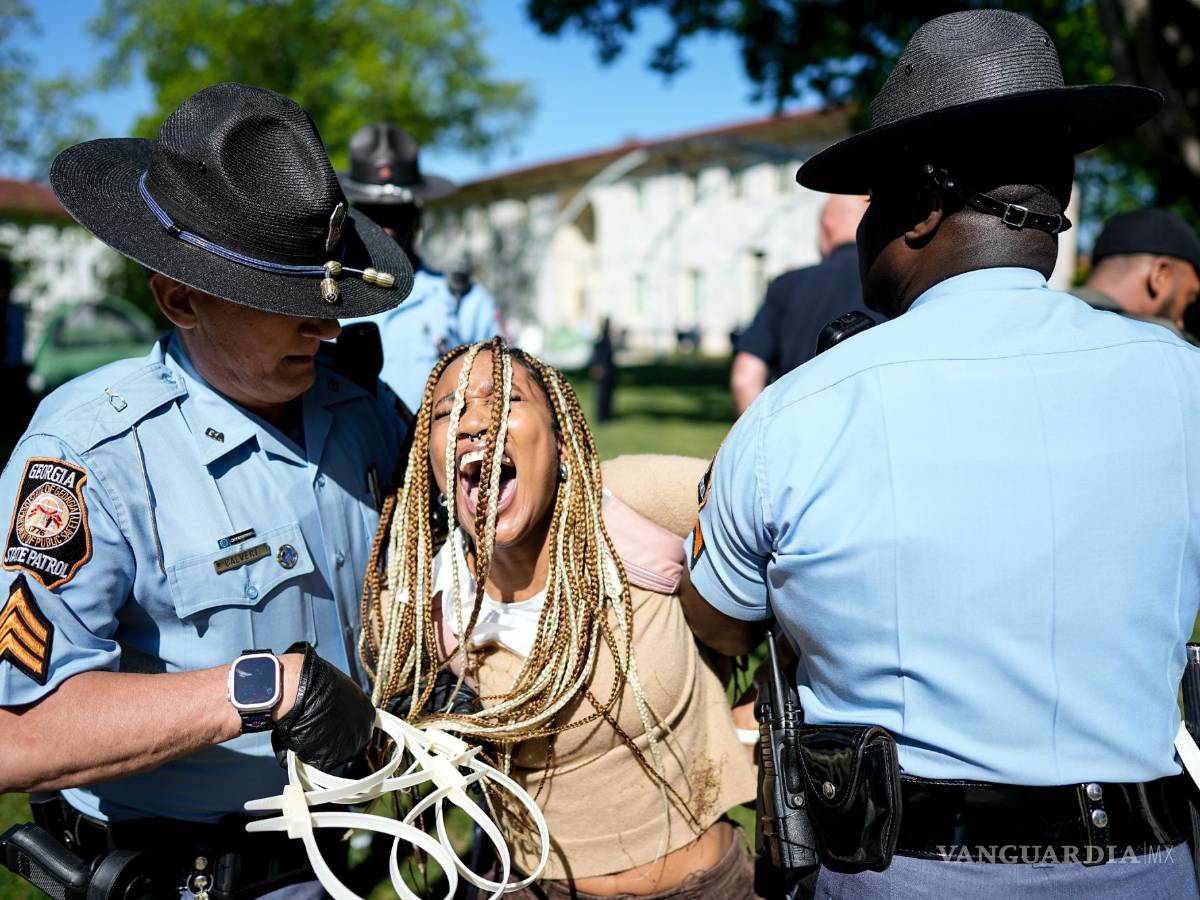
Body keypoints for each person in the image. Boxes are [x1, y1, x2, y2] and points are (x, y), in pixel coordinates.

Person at [681, 9, 1198, 898]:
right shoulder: (1185, 383)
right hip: (1152, 866)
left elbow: (712, 627)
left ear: (918, 207)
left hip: (897, 874)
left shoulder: (800, 413)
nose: (863, 230)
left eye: (875, 201)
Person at [0, 83, 412, 898]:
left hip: (347, 855)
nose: (327, 328)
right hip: (180, 877)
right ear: (179, 297)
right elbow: (17, 735)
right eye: (285, 303)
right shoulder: (89, 454)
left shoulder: (360, 408)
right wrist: (260, 689)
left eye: (324, 298)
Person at [362, 338, 758, 899]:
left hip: (709, 887)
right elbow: (372, 749)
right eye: (449, 411)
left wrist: (764, 699)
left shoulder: (627, 506)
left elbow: (795, 517)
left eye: (505, 399)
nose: (475, 422)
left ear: (562, 440)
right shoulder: (427, 598)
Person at [339, 122, 504, 409]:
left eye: (397, 214)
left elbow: (499, 387)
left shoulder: (462, 299)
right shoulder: (327, 293)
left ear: (417, 218)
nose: (386, 229)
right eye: (374, 214)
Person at [730, 194, 874, 414]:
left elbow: (745, 378)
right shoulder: (891, 283)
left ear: (827, 223)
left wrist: (759, 436)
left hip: (799, 427)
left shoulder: (787, 285)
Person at [1072, 208, 1200, 339]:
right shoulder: (1169, 347)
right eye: (1188, 300)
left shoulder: (1053, 312)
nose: (1181, 323)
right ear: (1160, 274)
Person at [589, 316, 617, 423]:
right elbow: (598, 355)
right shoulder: (602, 339)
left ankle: (607, 415)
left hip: (608, 371)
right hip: (603, 371)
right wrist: (597, 367)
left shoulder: (607, 339)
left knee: (608, 395)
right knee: (601, 396)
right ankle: (601, 417)